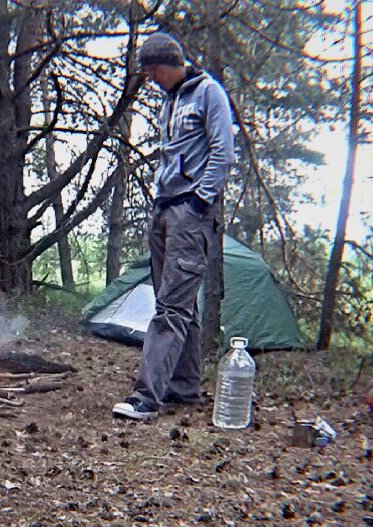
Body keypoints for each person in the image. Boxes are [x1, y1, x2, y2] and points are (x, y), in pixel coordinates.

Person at [112, 32, 236, 421]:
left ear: (166, 65)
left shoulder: (208, 93)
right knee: (182, 304)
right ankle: (183, 385)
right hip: (165, 209)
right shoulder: (171, 100)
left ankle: (147, 396)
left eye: (151, 72)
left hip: (190, 211)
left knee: (169, 307)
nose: (149, 79)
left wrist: (201, 200)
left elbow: (224, 152)